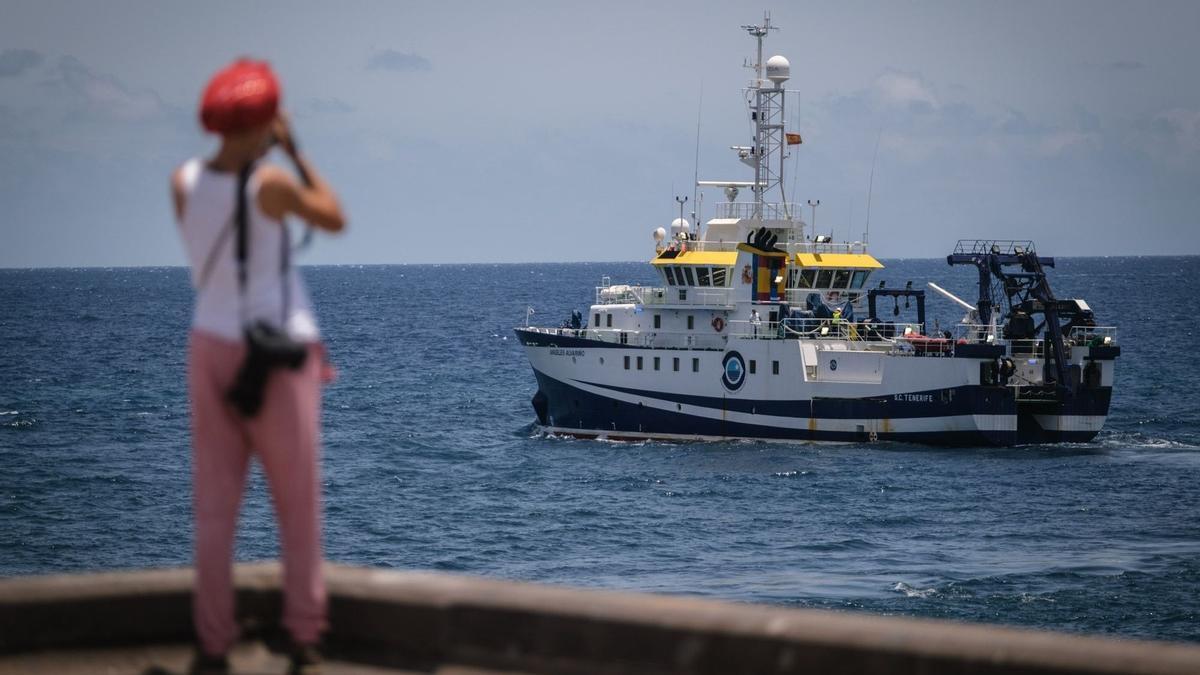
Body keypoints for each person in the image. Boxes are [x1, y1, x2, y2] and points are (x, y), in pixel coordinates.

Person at [171, 59, 345, 675]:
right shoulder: (271, 185)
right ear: (267, 119)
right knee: (297, 504)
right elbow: (333, 217)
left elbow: (205, 266)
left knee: (215, 509)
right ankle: (302, 635)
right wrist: (294, 152)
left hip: (209, 343)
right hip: (276, 351)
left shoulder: (183, 181)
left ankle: (213, 643)